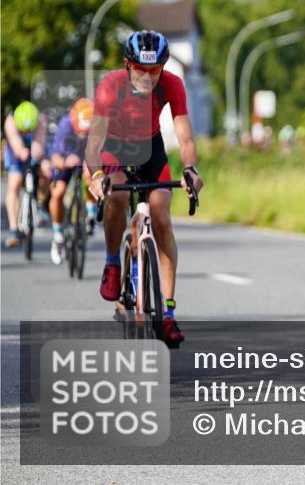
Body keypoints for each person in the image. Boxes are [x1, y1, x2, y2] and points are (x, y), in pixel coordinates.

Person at [86, 30, 204, 344]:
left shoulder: (172, 84)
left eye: (155, 70)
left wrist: (191, 169)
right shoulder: (110, 86)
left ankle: (168, 314)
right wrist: (97, 177)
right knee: (119, 195)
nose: (147, 77)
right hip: (114, 146)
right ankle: (113, 263)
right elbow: (94, 142)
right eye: (140, 69)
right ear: (127, 64)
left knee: (162, 214)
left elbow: (185, 136)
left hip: (150, 148)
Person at [48, 98, 98, 263]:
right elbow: (55, 156)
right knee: (58, 192)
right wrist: (63, 163)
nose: (83, 135)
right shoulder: (65, 125)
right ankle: (57, 235)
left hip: (86, 158)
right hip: (66, 159)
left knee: (91, 177)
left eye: (87, 132)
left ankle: (90, 214)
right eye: (81, 132)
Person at [3, 101, 48, 248]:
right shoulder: (10, 121)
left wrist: (36, 160)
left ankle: (41, 206)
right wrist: (23, 154)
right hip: (16, 150)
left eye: (30, 130)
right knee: (15, 182)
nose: (27, 132)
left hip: (34, 146)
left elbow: (39, 146)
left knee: (46, 171)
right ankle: (14, 228)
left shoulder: (40, 120)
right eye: (25, 130)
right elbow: (17, 148)